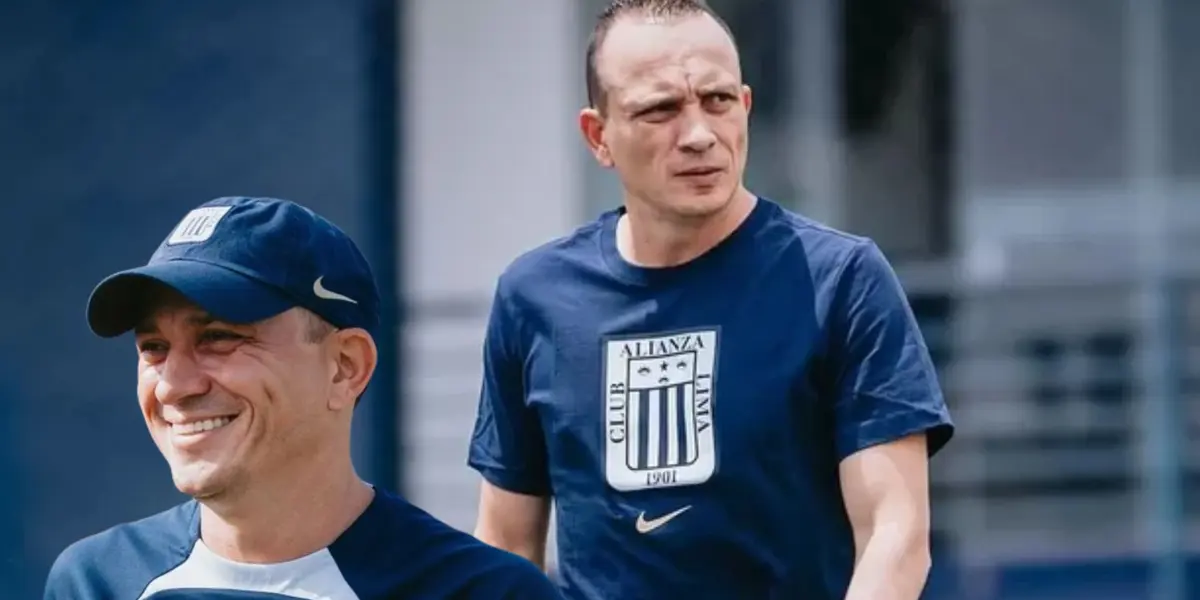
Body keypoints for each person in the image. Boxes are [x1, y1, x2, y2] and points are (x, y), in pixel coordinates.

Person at [466, 1, 954, 598]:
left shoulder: (840, 280)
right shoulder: (533, 297)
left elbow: (895, 534)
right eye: (660, 110)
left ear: (744, 107)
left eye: (718, 101)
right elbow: (505, 544)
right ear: (599, 136)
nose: (699, 135)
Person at [45, 197, 561, 600]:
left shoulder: (481, 593)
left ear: (345, 367)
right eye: (153, 348)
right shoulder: (96, 582)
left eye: (219, 337)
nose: (174, 385)